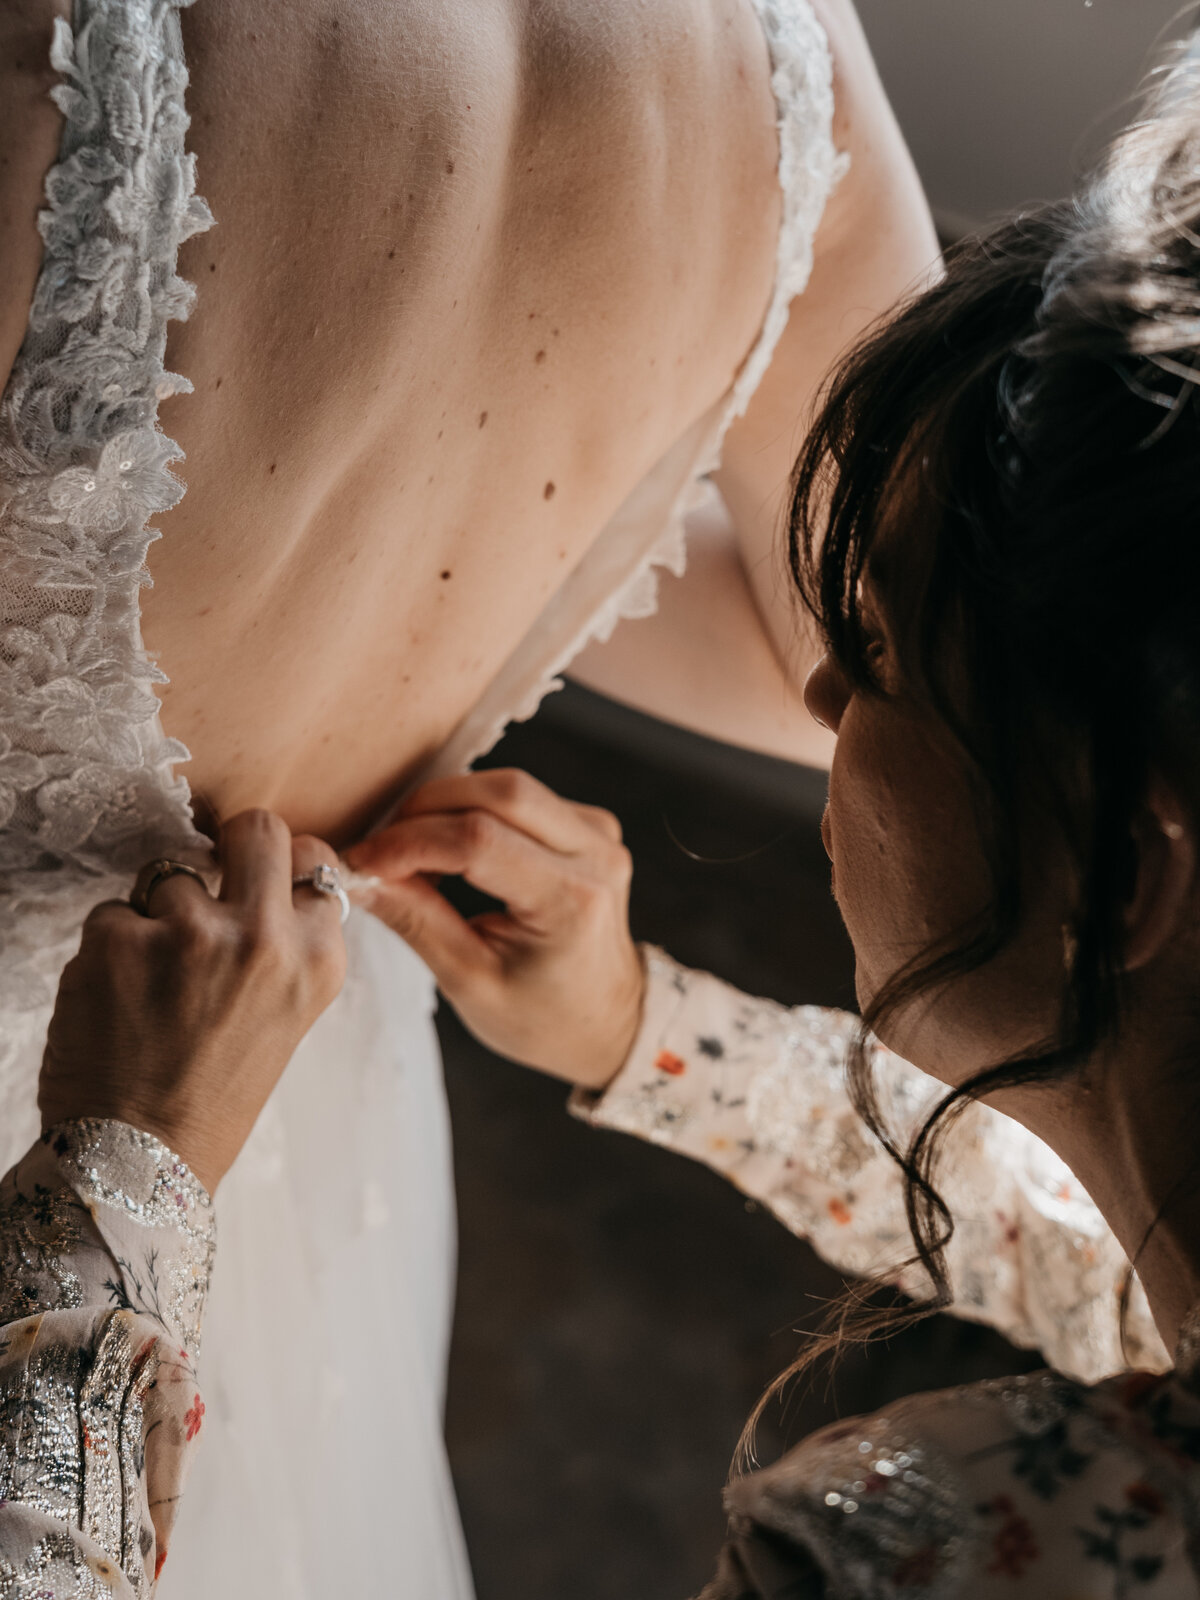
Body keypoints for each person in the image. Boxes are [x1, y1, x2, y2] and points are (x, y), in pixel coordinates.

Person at [5, 55, 1200, 1589]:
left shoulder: (945, 1556)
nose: (822, 686)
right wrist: (641, 1027)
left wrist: (121, 1184)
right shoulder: (778, 63)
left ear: (1129, 868)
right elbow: (1075, 1253)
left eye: (882, 658)